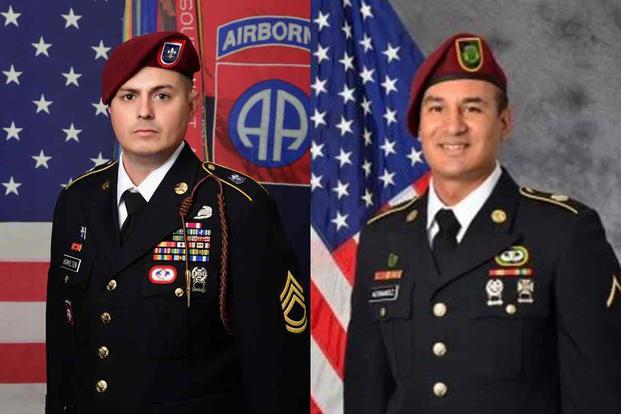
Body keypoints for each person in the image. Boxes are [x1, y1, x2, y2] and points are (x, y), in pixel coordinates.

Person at [344, 32, 621, 414]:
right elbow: (366, 391)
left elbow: (600, 395)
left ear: (504, 122)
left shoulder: (563, 233)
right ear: (417, 126)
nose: (453, 126)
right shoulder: (383, 236)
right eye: (436, 109)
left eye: (472, 109)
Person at [45, 31, 308, 414]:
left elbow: (277, 371)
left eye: (162, 96)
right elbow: (62, 347)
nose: (144, 111)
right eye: (128, 96)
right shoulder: (77, 201)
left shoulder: (237, 207)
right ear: (109, 108)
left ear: (192, 105)